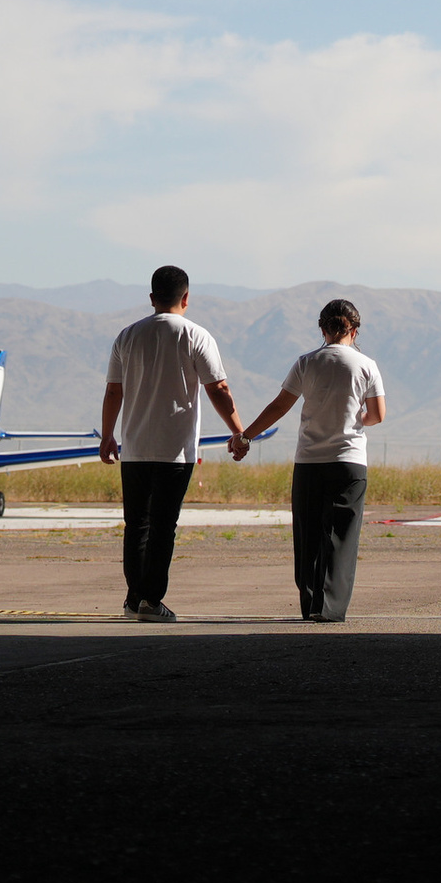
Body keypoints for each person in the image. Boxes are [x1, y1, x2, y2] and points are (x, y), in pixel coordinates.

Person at [100, 264, 247, 622]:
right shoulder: (196, 336)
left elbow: (114, 390)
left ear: (151, 298)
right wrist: (237, 431)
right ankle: (152, 600)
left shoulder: (127, 336)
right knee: (164, 526)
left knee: (136, 525)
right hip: (175, 450)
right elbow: (218, 389)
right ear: (186, 298)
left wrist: (107, 434)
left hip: (134, 447)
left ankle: (135, 598)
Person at [238, 297, 386, 623]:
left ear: (322, 329)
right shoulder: (367, 365)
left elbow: (279, 405)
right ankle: (330, 608)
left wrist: (246, 436)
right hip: (349, 461)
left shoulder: (306, 362)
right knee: (341, 537)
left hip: (309, 462)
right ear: (355, 330)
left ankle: (309, 603)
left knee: (308, 536)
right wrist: (358, 417)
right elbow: (378, 414)